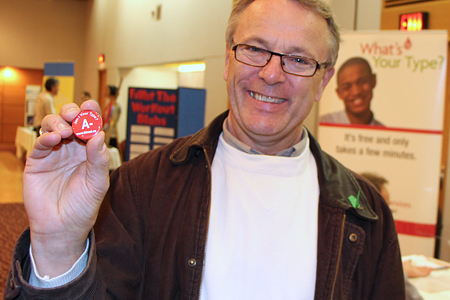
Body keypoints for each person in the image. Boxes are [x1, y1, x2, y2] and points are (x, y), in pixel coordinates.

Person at [5, 0, 404, 299]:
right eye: (255, 48)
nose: (270, 73)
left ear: (324, 80)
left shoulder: (366, 216)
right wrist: (58, 247)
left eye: (298, 59)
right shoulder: (143, 186)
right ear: (228, 58)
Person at [361, 172, 432, 300]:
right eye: (386, 206)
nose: (389, 212)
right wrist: (399, 272)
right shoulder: (374, 242)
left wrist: (402, 270)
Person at [319, 57, 384, 126]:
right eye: (347, 87)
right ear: (339, 93)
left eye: (362, 82)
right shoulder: (323, 125)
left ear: (373, 80)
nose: (356, 92)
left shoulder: (383, 132)